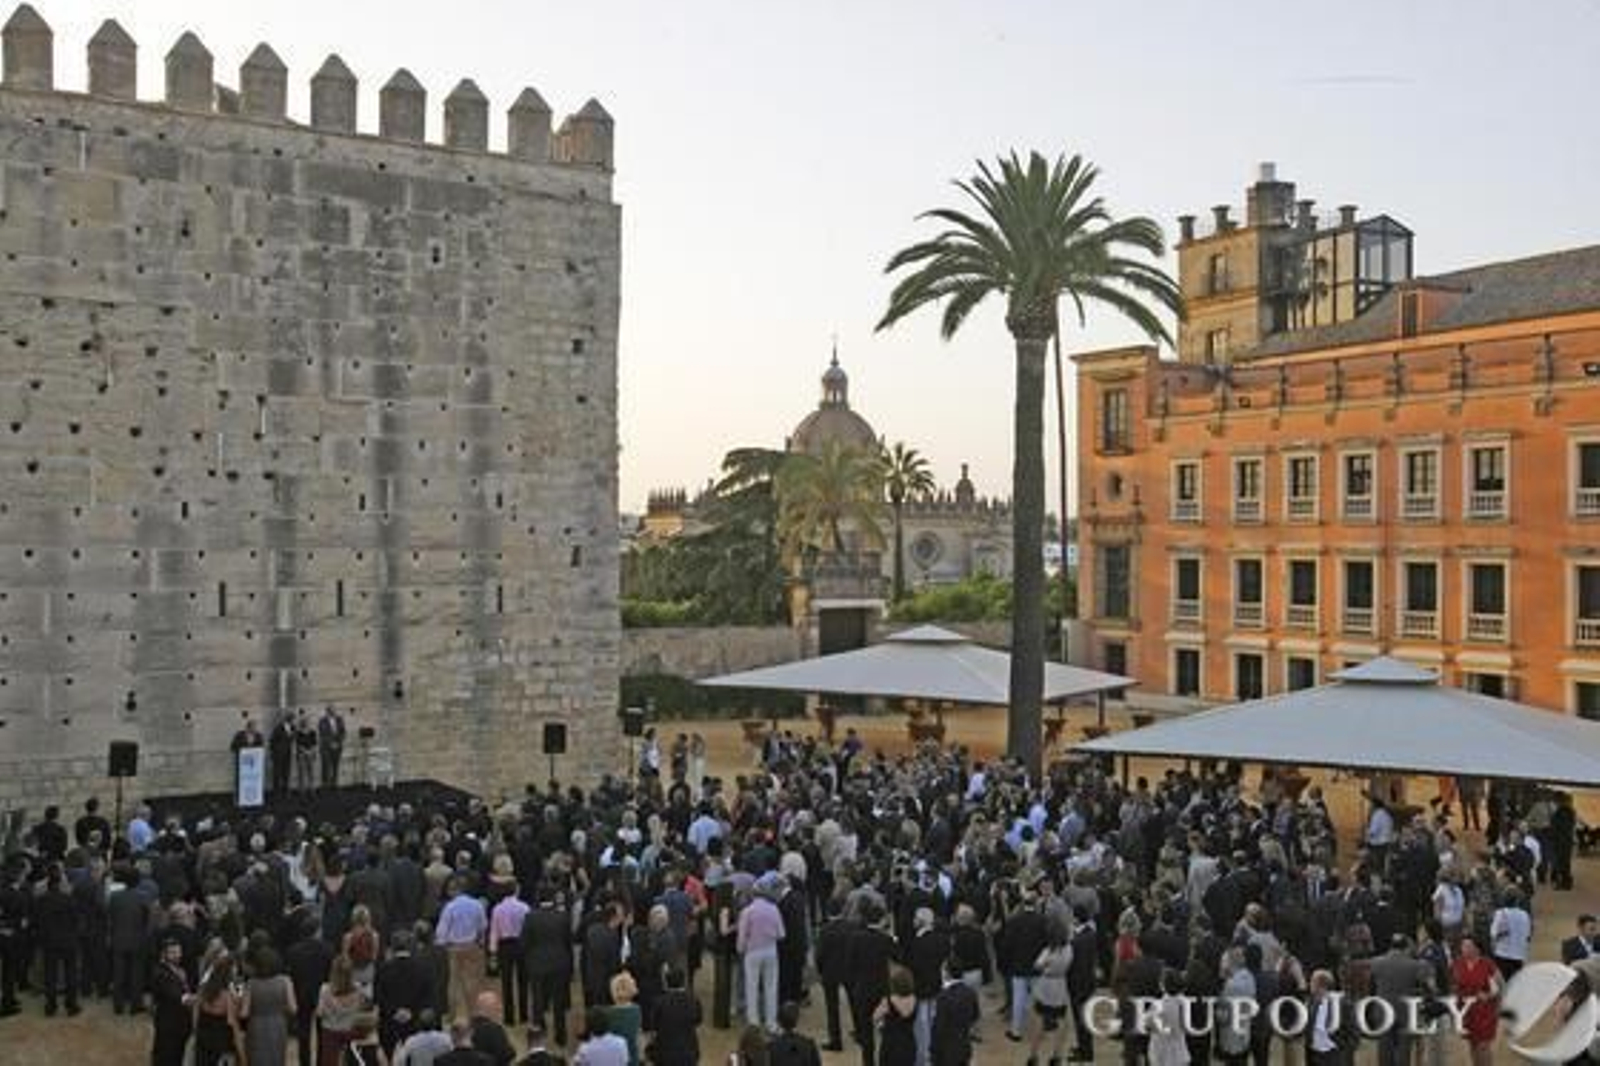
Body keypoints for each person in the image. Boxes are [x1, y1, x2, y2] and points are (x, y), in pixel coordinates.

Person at [525, 886, 575, 1047]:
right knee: (559, 1002)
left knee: (538, 1001)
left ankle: (539, 1037)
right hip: (560, 963)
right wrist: (570, 966)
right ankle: (561, 1037)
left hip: (537, 963)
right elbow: (569, 943)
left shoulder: (530, 917)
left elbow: (524, 943)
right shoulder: (563, 916)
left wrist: (529, 958)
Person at [737, 874, 786, 1033]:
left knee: (751, 986)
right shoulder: (774, 908)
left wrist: (741, 950)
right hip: (771, 951)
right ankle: (771, 1023)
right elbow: (781, 934)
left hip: (752, 952)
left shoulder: (747, 911)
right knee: (771, 987)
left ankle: (754, 1023)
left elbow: (742, 936)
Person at [436, 877, 488, 1022]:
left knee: (453, 983)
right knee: (472, 982)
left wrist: (442, 945)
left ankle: (452, 1015)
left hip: (454, 947)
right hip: (472, 946)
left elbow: (442, 931)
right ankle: (473, 1014)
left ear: (456, 890)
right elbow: (482, 926)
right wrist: (479, 942)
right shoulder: (477, 905)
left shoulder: (450, 907)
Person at [33, 862, 80, 1017]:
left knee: (50, 975)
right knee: (70, 974)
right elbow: (76, 920)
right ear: (60, 883)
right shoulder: (69, 900)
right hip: (68, 941)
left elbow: (37, 922)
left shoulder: (41, 901)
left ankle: (50, 1006)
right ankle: (71, 1005)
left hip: (49, 942)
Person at [242, 945, 297, 1066]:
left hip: (256, 1025)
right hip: (278, 1024)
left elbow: (244, 1013)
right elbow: (293, 1008)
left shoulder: (251, 983)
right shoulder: (285, 981)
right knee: (277, 1058)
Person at [318, 953, 373, 1066]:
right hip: (350, 1031)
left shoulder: (325, 989)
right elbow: (365, 1008)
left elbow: (320, 1012)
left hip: (330, 1032)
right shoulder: (359, 989)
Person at [1029, 922, 1072, 1066]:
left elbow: (1037, 965)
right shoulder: (1069, 949)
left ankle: (1033, 1056)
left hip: (1045, 987)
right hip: (1060, 986)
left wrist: (1046, 964)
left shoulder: (1048, 951)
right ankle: (1056, 1056)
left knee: (1039, 1022)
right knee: (1062, 1023)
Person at [490, 883, 531, 1028]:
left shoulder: (497, 909)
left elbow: (494, 931)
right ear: (516, 891)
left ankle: (509, 1017)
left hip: (505, 946)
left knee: (506, 982)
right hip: (521, 944)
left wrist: (493, 951)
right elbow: (529, 929)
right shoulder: (525, 907)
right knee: (523, 981)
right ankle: (524, 1015)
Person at [150, 936, 194, 1066]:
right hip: (168, 1026)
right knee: (166, 1058)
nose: (177, 955)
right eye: (173, 952)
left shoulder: (180, 969)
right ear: (164, 954)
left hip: (179, 1026)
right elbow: (177, 996)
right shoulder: (160, 973)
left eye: (178, 952)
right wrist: (199, 998)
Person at [193, 953, 243, 1066]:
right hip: (220, 1040)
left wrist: (196, 1031)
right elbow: (233, 1024)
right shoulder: (227, 995)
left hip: (203, 1037)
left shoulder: (204, 989)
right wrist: (241, 1051)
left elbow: (195, 1012)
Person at [930, 959, 979, 1066]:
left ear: (947, 973)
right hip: (964, 1046)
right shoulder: (970, 992)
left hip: (946, 1052)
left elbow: (939, 1028)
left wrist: (933, 1050)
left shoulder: (943, 997)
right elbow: (975, 1015)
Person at [651, 966, 702, 1066]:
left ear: (666, 983)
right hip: (689, 1052)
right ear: (684, 982)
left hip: (664, 1054)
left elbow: (654, 1026)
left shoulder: (659, 1002)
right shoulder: (694, 1000)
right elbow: (698, 1021)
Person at [876, 967, 917, 1066]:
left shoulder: (888, 1001)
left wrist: (881, 1025)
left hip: (891, 1045)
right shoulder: (915, 999)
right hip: (909, 1044)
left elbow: (875, 1016)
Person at [604, 972, 642, 1066]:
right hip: (632, 1053)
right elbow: (637, 1035)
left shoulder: (608, 1012)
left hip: (614, 1055)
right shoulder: (636, 1009)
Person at [320, 705, 348, 788]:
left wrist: (338, 743)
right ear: (327, 711)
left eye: (334, 710)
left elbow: (343, 732)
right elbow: (323, 734)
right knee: (326, 766)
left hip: (338, 746)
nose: (333, 712)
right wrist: (331, 743)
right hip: (326, 747)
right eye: (331, 710)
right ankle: (325, 784)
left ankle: (334, 783)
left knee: (336, 765)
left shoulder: (339, 719)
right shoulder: (323, 721)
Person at [269, 712, 296, 795]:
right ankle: (276, 791)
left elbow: (293, 738)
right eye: (292, 719)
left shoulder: (293, 727)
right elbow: (272, 740)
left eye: (293, 719)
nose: (293, 721)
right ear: (288, 719)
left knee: (286, 771)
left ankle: (285, 789)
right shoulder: (278, 727)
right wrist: (274, 752)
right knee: (277, 773)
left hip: (288, 752)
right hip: (278, 753)